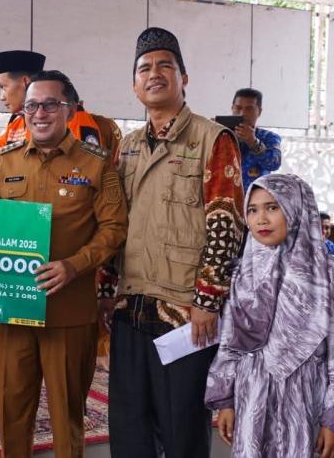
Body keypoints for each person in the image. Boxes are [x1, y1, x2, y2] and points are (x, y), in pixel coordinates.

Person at [0, 70, 128, 457]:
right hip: (12, 311)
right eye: (31, 106)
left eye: (50, 105)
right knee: (11, 412)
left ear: (70, 110)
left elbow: (115, 228)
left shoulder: (97, 165)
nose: (39, 113)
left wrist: (74, 265)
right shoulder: (4, 162)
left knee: (67, 416)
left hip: (69, 312)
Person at [104, 27, 244, 458]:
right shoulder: (126, 147)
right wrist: (105, 290)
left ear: (184, 78)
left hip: (184, 312)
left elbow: (226, 222)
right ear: (134, 85)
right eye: (144, 68)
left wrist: (208, 299)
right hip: (129, 305)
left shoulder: (212, 139)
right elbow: (113, 223)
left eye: (165, 65)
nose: (154, 74)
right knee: (129, 430)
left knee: (181, 430)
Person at [206, 174, 334, 458]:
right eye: (252, 210)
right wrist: (226, 399)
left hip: (309, 401)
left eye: (272, 207)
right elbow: (231, 341)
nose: (261, 219)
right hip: (253, 397)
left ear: (296, 208)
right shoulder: (244, 272)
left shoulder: (329, 272)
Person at [0, 50, 46, 158]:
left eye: (3, 87)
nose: (1, 97)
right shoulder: (14, 127)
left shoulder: (67, 119)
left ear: (25, 82)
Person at [230, 88, 282, 191]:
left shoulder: (269, 137)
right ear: (232, 108)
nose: (242, 113)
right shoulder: (222, 134)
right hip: (224, 197)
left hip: (255, 197)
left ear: (259, 111)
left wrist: (253, 142)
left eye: (249, 109)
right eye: (238, 108)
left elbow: (274, 164)